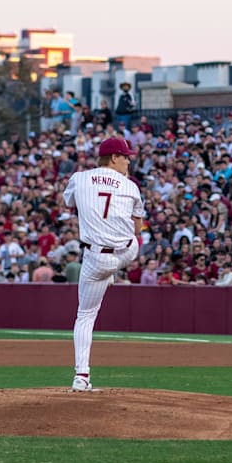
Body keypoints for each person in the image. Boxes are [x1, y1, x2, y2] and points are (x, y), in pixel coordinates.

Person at [64, 137, 144, 391]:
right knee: (135, 243)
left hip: (93, 259)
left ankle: (81, 377)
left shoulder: (79, 178)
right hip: (124, 252)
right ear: (113, 158)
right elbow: (138, 228)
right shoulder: (131, 187)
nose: (129, 161)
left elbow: (69, 203)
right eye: (125, 156)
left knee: (85, 316)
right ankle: (112, 271)